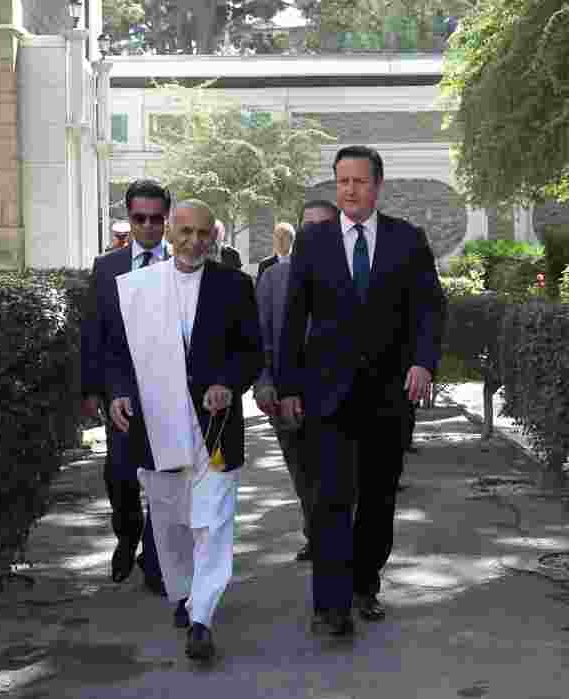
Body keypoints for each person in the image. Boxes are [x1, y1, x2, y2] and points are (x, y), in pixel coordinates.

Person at [278, 145, 446, 636]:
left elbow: (430, 309)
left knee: (377, 499)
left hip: (390, 396)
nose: (349, 190)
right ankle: (330, 605)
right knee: (331, 497)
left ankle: (364, 584)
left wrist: (422, 362)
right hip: (327, 396)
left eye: (359, 181)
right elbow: (293, 318)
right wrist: (289, 385)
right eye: (342, 181)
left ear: (378, 185)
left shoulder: (407, 240)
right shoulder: (314, 242)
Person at [105, 199, 262, 662]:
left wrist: (228, 385)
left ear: (214, 236)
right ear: (169, 232)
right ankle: (184, 594)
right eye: (185, 232)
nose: (194, 241)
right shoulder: (138, 288)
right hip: (157, 424)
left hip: (215, 428)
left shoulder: (235, 286)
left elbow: (252, 351)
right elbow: (117, 353)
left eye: (203, 233)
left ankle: (202, 619)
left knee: (213, 524)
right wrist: (116, 392)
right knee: (171, 525)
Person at [81, 179, 169, 593]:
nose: (149, 226)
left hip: (170, 395)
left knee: (165, 478)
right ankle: (128, 535)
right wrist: (95, 391)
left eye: (156, 219)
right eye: (140, 218)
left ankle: (154, 558)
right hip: (122, 393)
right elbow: (96, 334)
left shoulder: (181, 264)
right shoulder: (107, 268)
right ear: (129, 219)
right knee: (120, 476)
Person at [253, 203, 338, 563]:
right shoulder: (274, 278)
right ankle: (316, 534)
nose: (314, 234)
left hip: (337, 399)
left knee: (337, 480)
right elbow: (260, 338)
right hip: (286, 399)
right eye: (309, 227)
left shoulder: (351, 279)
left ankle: (336, 546)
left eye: (324, 227)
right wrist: (264, 383)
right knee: (303, 476)